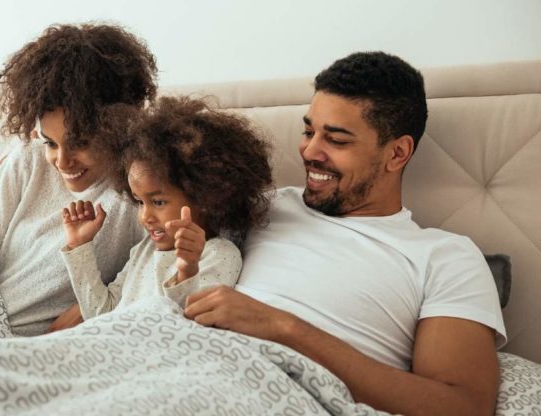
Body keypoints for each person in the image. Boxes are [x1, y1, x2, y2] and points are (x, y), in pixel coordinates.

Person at [183, 52, 506, 416]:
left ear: (397, 153)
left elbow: (463, 406)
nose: (309, 151)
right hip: (186, 360)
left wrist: (281, 326)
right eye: (308, 131)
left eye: (336, 140)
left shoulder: (445, 257)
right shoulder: (266, 205)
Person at [0, 23, 158, 338]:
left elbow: (167, 267)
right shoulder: (28, 157)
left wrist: (98, 306)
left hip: (26, 339)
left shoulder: (144, 185)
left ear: (117, 126)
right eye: (51, 142)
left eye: (80, 142)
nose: (62, 162)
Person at [59, 96, 273, 319]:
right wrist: (79, 246)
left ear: (206, 198)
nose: (145, 216)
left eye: (158, 202)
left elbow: (184, 327)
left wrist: (187, 271)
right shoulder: (145, 250)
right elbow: (101, 314)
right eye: (140, 202)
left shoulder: (219, 254)